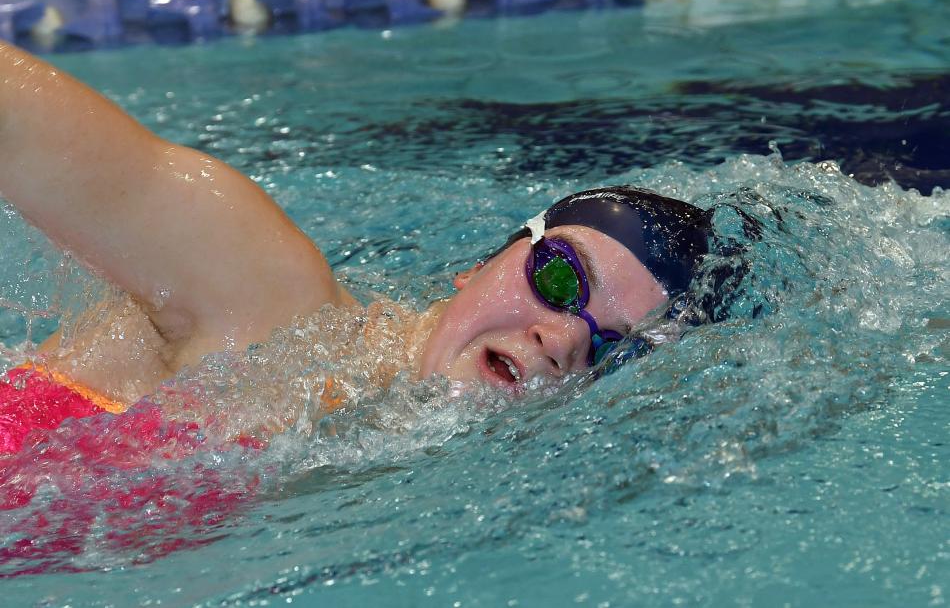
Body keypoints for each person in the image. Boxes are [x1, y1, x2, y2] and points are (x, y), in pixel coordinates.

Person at [0, 40, 710, 452]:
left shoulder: (388, 462)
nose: (562, 340)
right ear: (478, 266)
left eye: (616, 350)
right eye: (560, 279)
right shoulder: (268, 297)